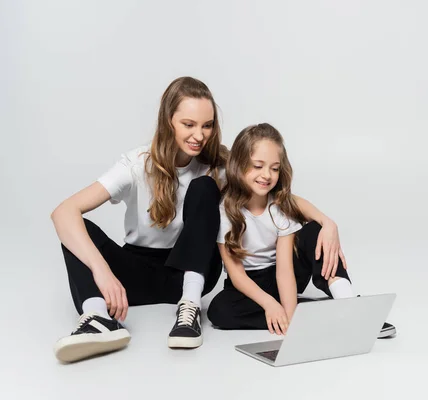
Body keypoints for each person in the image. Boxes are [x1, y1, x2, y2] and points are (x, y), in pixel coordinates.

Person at [52, 77, 350, 363]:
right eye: (188, 124)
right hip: (136, 272)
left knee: (205, 187)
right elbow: (63, 212)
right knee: (77, 232)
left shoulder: (219, 164)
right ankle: (98, 320)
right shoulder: (136, 163)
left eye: (207, 125)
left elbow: (276, 195)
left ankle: (190, 306)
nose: (199, 135)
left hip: (190, 272)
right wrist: (101, 270)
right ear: (168, 121)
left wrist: (327, 222)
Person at [207, 123, 396, 338]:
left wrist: (288, 309)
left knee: (316, 231)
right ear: (239, 166)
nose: (267, 175)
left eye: (275, 168)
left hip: (279, 275)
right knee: (218, 311)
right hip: (247, 285)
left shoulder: (279, 208)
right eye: (258, 166)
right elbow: (237, 276)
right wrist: (271, 305)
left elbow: (285, 270)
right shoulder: (225, 211)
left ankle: (348, 304)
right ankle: (310, 316)